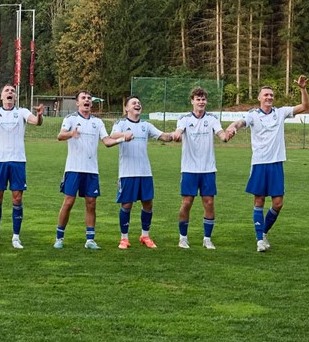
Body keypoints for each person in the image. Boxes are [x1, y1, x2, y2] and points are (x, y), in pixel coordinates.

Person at [223, 76, 309, 252]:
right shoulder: (253, 115)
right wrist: (232, 127)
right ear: (259, 98)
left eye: (271, 95)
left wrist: (302, 89)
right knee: (259, 200)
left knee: (278, 203)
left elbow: (304, 106)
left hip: (276, 163)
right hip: (260, 163)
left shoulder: (281, 112)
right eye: (266, 95)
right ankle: (259, 240)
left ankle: (263, 232)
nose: (269, 97)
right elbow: (241, 122)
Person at [55, 91, 130, 249]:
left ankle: (90, 239)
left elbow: (107, 142)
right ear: (77, 103)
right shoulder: (70, 119)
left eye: (89, 98)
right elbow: (60, 136)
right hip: (73, 168)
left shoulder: (98, 122)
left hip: (91, 170)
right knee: (68, 202)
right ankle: (59, 238)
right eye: (83, 98)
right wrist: (71, 133)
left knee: (91, 203)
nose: (87, 100)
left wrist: (122, 138)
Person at [0, 84, 44, 249]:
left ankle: (16, 237)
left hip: (17, 161)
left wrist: (39, 114)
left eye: (12, 91)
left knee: (17, 198)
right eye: (7, 91)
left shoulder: (22, 112)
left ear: (15, 96)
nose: (10, 93)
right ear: (1, 96)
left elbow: (36, 122)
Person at [170, 86, 230, 250]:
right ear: (192, 101)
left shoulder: (212, 119)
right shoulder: (184, 119)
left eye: (203, 99)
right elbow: (178, 131)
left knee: (209, 203)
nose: (201, 102)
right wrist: (176, 135)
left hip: (208, 169)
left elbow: (221, 134)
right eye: (198, 99)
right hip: (189, 169)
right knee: (186, 203)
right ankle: (183, 238)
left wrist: (226, 136)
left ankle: (207, 239)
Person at [111, 96, 170, 249]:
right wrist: (124, 135)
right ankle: (124, 238)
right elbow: (112, 136)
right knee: (127, 204)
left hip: (145, 172)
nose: (137, 104)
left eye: (138, 103)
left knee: (148, 203)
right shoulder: (121, 124)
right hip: (127, 172)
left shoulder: (146, 125)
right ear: (126, 108)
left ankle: (145, 235)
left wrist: (175, 135)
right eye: (134, 103)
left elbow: (163, 135)